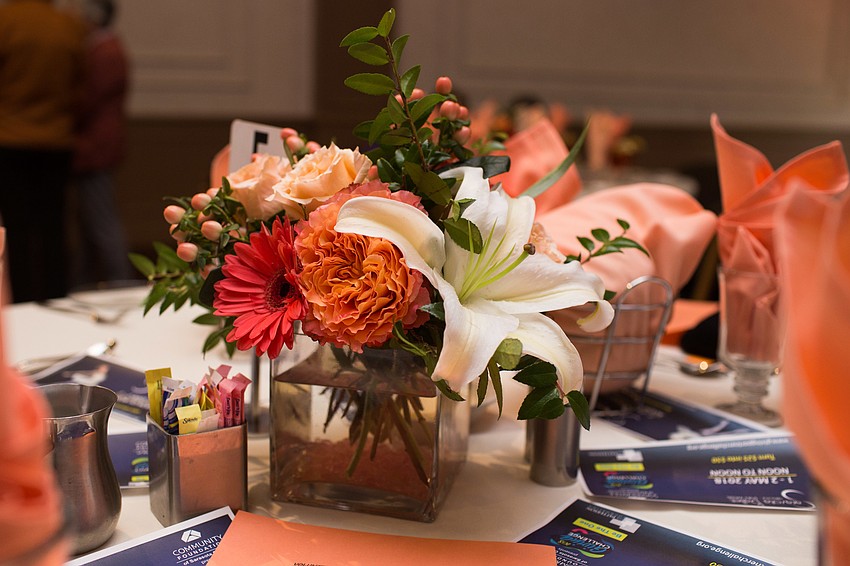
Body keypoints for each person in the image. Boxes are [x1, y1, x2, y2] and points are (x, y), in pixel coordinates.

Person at [0, 0, 86, 303]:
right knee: (54, 227)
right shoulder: (68, 25)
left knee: (17, 228)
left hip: (9, 139)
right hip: (56, 140)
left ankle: (21, 300)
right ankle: (55, 296)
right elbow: (82, 84)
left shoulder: (6, 20)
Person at [71, 0, 133, 286]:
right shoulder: (106, 48)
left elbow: (87, 99)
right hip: (96, 145)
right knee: (91, 220)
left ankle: (119, 280)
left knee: (101, 219)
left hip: (95, 146)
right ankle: (88, 280)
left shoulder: (104, 52)